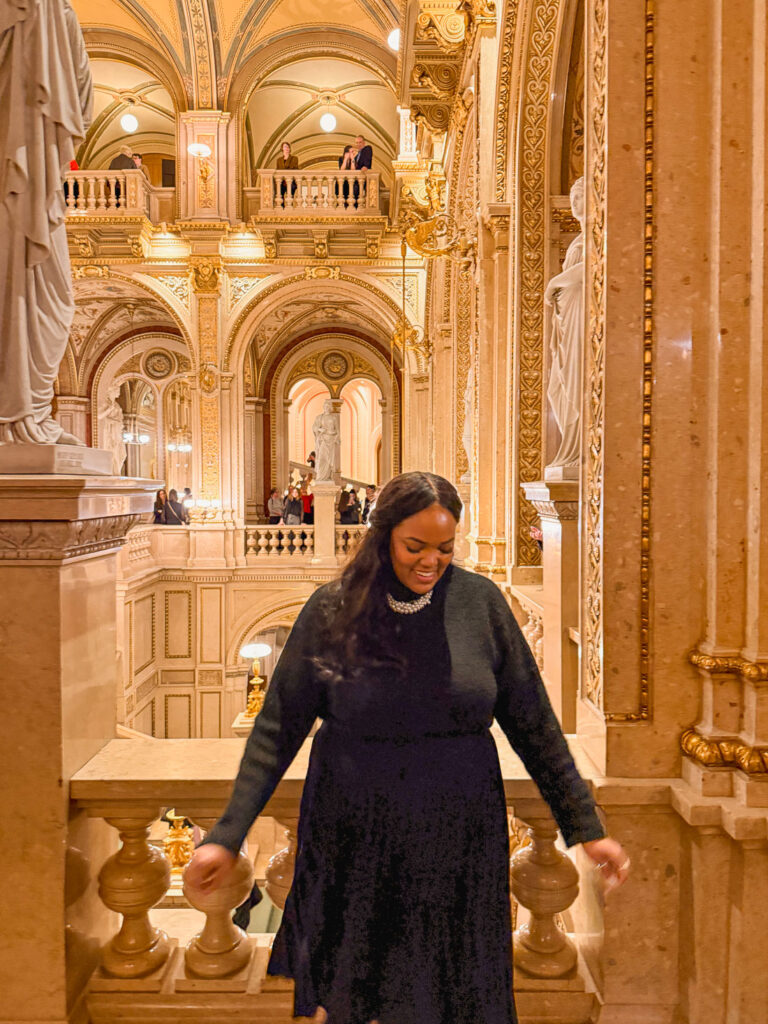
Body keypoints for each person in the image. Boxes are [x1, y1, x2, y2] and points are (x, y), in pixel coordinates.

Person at [186, 471, 629, 1024]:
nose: (431, 562)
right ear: (383, 536)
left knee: (451, 993)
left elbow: (536, 728)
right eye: (414, 547)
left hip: (456, 833)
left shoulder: (481, 604)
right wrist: (226, 836)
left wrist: (586, 830)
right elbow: (275, 731)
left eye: (445, 548)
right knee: (357, 995)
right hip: (355, 832)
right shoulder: (333, 609)